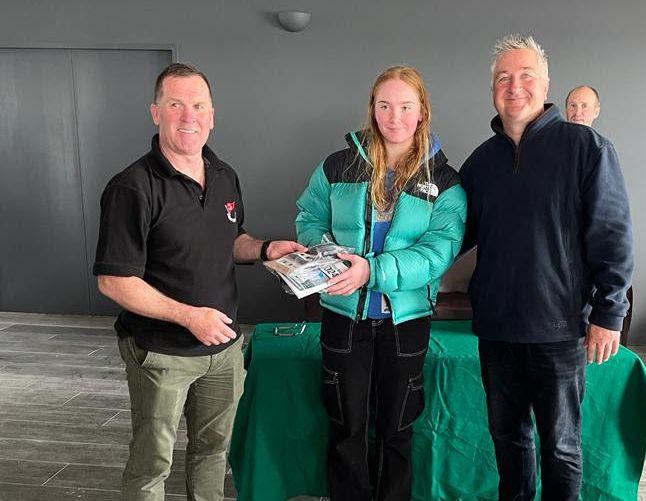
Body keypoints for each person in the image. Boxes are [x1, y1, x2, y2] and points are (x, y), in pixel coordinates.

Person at [93, 62, 304, 500]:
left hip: (223, 347)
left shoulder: (224, 174)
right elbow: (114, 281)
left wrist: (266, 249)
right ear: (156, 112)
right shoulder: (132, 187)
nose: (189, 116)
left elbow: (228, 240)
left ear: (212, 114)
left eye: (198, 105)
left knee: (213, 451)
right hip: (161, 352)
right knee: (153, 462)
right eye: (176, 104)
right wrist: (190, 317)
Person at [460, 35, 633, 500]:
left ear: (546, 84)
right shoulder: (480, 164)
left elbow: (613, 237)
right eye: (503, 79)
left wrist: (608, 314)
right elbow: (451, 234)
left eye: (525, 76)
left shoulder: (587, 148)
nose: (513, 87)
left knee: (561, 448)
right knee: (508, 442)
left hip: (559, 332)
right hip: (497, 331)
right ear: (493, 89)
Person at [295, 66, 466, 501]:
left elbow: (436, 254)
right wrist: (328, 255)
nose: (394, 117)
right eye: (385, 105)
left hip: (405, 325)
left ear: (422, 112)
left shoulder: (445, 181)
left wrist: (370, 271)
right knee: (345, 427)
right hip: (343, 319)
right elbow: (309, 219)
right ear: (372, 109)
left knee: (397, 430)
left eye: (406, 106)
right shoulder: (337, 166)